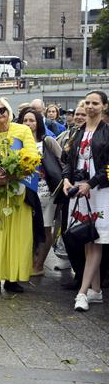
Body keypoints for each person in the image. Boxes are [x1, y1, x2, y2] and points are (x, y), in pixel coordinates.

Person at [0, 97, 36, 294]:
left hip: (19, 190)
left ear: (9, 111)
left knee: (19, 236)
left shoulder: (23, 130)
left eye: (2, 110)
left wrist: (15, 173)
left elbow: (32, 156)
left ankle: (13, 278)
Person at [62, 91, 109, 311]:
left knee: (96, 239)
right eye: (88, 102)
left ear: (104, 106)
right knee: (87, 238)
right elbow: (67, 159)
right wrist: (65, 179)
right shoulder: (76, 132)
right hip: (77, 190)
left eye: (95, 103)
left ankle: (82, 292)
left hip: (98, 191)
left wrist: (91, 183)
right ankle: (96, 290)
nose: (90, 107)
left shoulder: (107, 133)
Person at [17, 108, 62, 276]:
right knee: (26, 228)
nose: (28, 124)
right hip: (23, 191)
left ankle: (39, 264)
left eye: (32, 120)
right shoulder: (16, 143)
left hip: (45, 192)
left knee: (45, 228)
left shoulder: (47, 141)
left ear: (39, 123)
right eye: (25, 120)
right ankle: (26, 262)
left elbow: (62, 160)